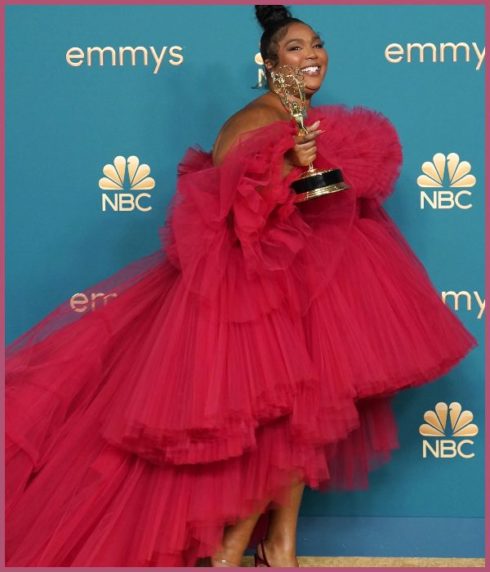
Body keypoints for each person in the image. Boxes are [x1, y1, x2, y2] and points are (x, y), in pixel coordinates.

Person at [5, 4, 478, 568]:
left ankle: (278, 544)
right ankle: (236, 547)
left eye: (317, 44)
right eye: (296, 48)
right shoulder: (252, 122)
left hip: (306, 282)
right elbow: (230, 210)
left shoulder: (300, 116)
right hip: (251, 294)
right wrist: (287, 172)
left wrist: (311, 175)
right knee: (290, 418)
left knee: (308, 412)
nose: (313, 56)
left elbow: (308, 199)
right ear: (269, 63)